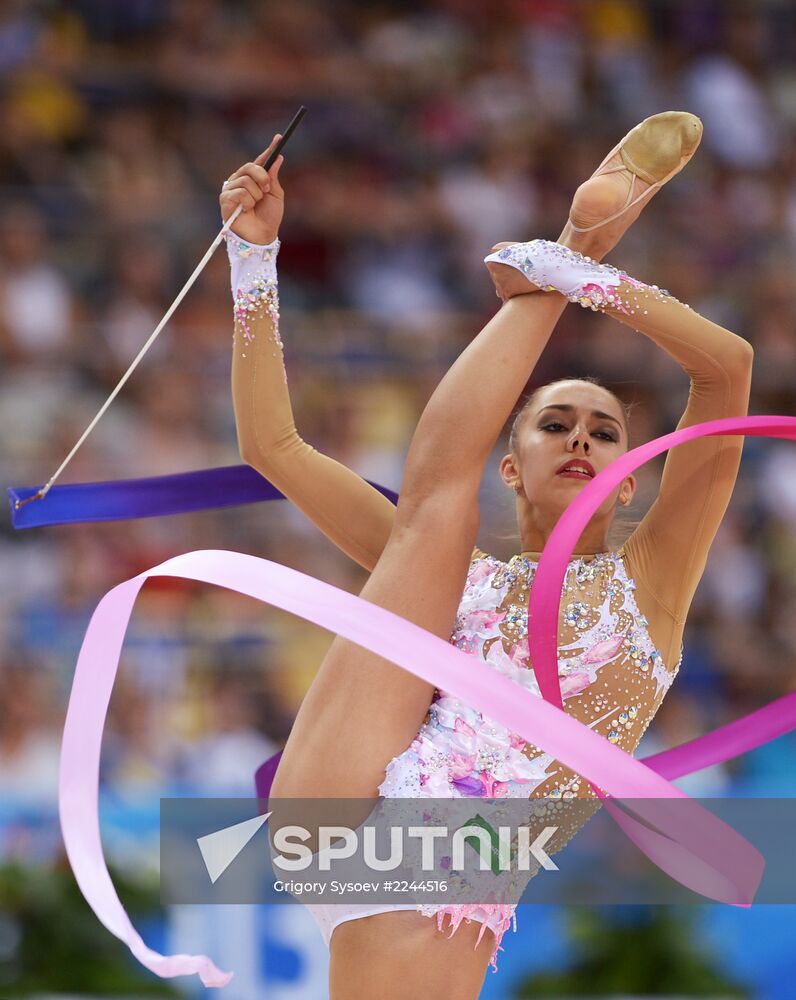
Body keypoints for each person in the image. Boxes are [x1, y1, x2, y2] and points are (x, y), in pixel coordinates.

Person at [218, 112, 753, 999]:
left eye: (605, 431)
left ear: (629, 480)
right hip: (351, 800)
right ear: (514, 466)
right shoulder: (449, 573)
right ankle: (561, 250)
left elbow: (728, 370)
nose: (581, 437)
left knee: (433, 519)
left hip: (446, 875)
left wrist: (595, 282)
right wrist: (252, 258)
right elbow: (271, 445)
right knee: (431, 518)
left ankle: (567, 250)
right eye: (555, 424)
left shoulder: (651, 586)